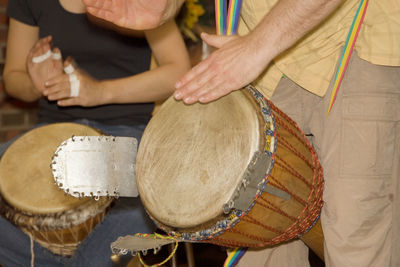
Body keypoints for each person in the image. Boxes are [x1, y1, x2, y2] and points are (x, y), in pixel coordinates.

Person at [84, 0, 400, 266]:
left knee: (353, 233)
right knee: (258, 241)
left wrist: (258, 45)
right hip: (267, 53)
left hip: (356, 39)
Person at [0, 0, 190, 266]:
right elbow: (13, 77)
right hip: (51, 133)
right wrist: (38, 83)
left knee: (142, 201)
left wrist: (99, 91)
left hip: (125, 131)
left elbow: (178, 72)